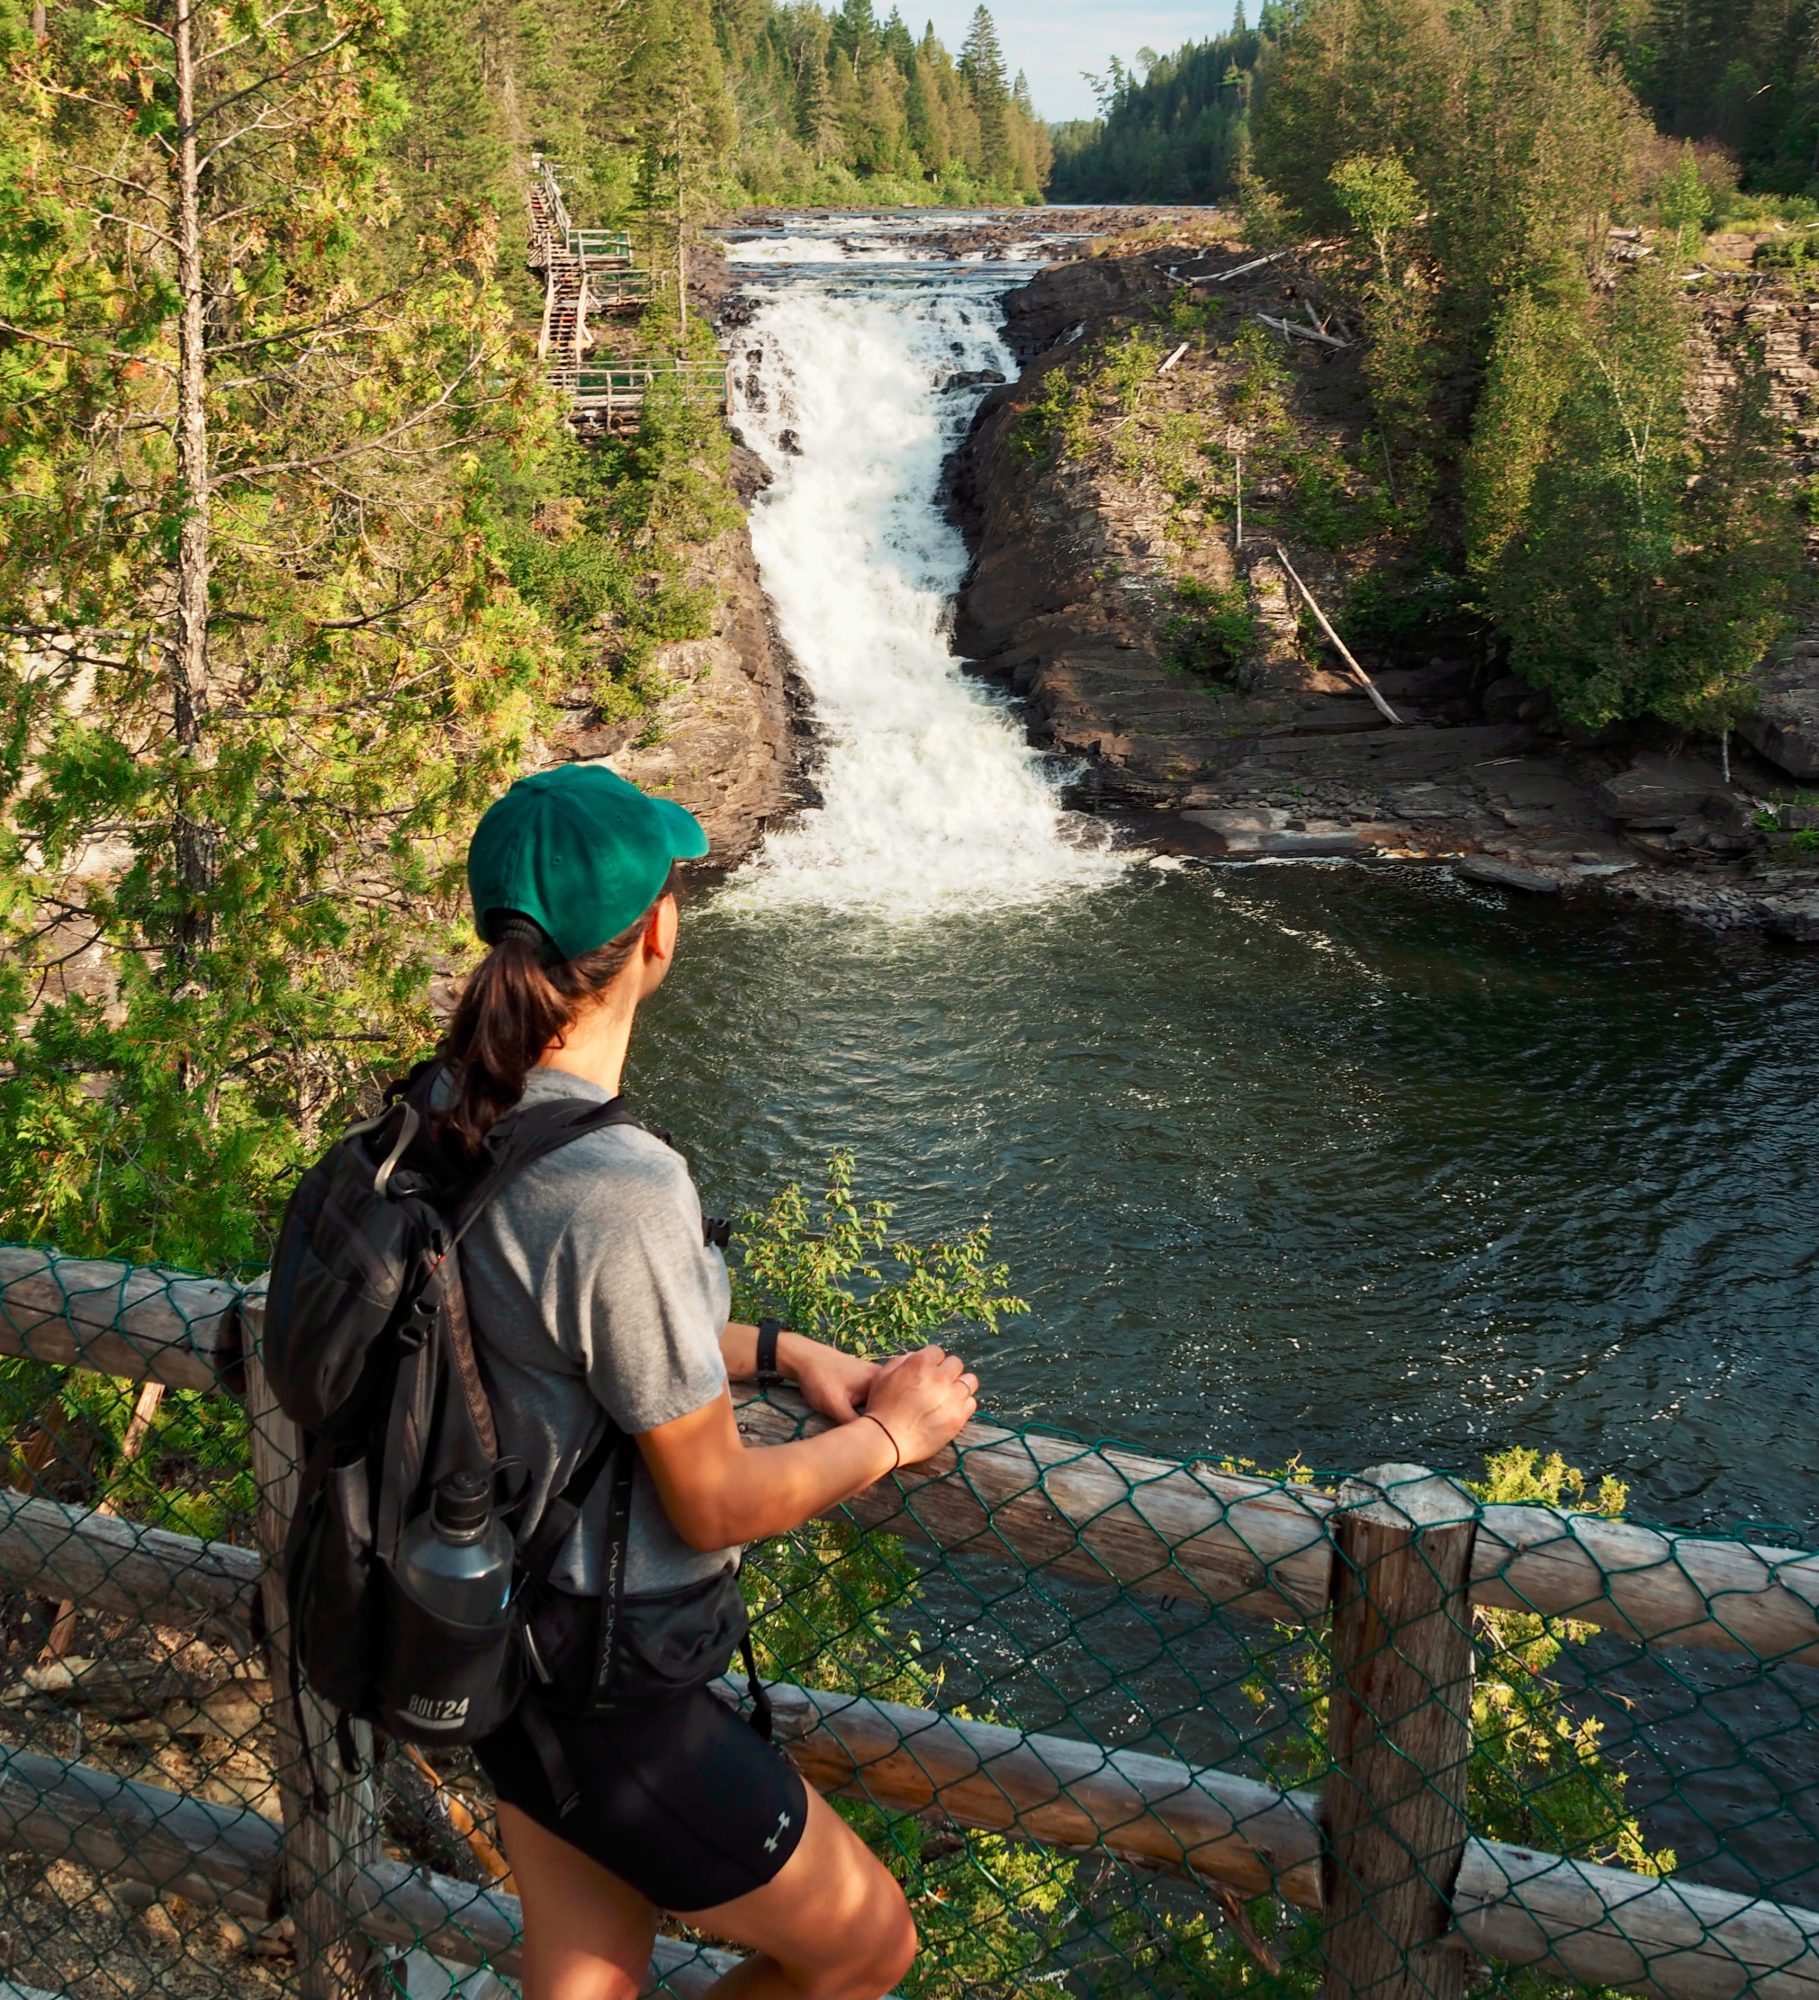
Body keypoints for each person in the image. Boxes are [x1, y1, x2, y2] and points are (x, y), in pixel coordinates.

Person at [441, 764, 978, 2000]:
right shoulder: (617, 1183)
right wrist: (894, 1433)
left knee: (585, 1979)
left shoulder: (451, 1113)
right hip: (608, 1682)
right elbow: (715, 1498)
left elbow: (558, 1332)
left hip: (495, 1639)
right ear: (657, 931)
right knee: (866, 1945)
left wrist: (780, 1349)